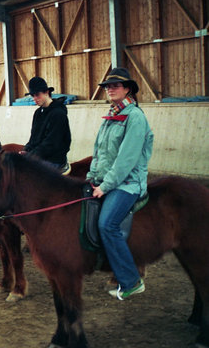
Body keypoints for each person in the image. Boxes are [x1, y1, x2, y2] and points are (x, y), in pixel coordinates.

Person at [86, 67, 154, 301]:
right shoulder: (111, 115)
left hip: (127, 184)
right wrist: (91, 176)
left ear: (128, 89)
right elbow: (99, 152)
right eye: (107, 86)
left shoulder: (135, 117)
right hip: (106, 180)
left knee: (107, 225)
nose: (110, 89)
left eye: (116, 85)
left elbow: (126, 159)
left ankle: (131, 280)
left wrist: (105, 186)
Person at [21, 77, 71, 173]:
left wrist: (31, 155)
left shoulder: (58, 114)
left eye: (37, 95)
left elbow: (52, 143)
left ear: (46, 92)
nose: (35, 99)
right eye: (33, 96)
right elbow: (34, 138)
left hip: (54, 159)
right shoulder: (38, 113)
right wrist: (27, 149)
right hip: (40, 156)